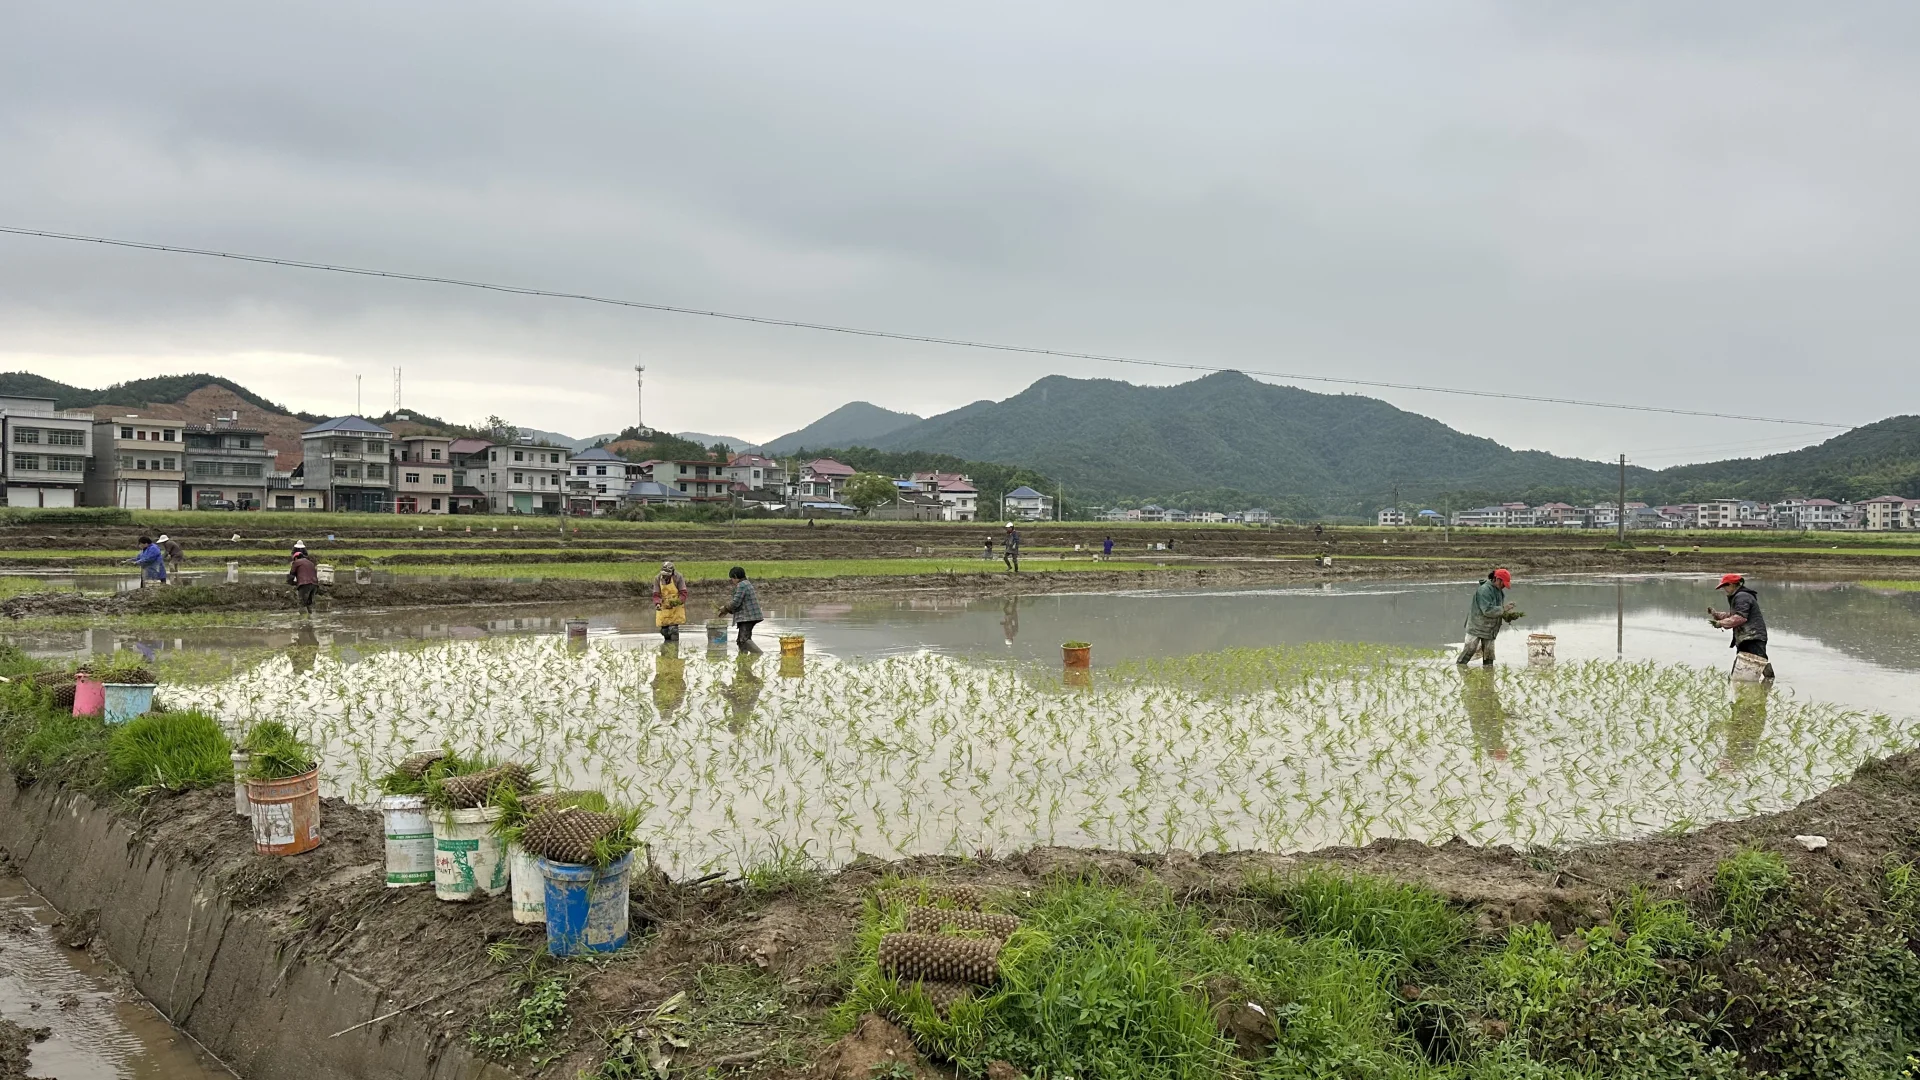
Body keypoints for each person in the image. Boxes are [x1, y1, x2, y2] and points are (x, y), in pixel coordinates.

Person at [1708, 573, 1774, 679]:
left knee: (1759, 662)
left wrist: (1721, 623)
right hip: (1746, 636)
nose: (1724, 589)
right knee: (1745, 663)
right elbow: (1733, 615)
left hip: (1753, 636)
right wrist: (1717, 615)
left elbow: (1740, 618)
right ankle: (1765, 685)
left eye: (1725, 586)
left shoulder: (1742, 597)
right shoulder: (1738, 596)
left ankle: (1769, 681)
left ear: (1732, 584)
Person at [1456, 568, 1515, 666]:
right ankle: (1460, 669)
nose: (1504, 586)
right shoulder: (1484, 590)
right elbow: (1487, 610)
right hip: (1477, 627)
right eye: (1503, 583)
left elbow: (1498, 610)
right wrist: (1504, 608)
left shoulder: (1499, 592)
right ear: (1497, 579)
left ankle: (1488, 677)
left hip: (1490, 629)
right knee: (1468, 652)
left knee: (1489, 656)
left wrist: (1508, 616)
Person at [716, 566, 763, 649]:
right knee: (741, 641)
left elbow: (736, 602)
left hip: (748, 617)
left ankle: (757, 655)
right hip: (750, 616)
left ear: (736, 576)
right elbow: (740, 603)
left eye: (732, 578)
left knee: (743, 640)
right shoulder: (746, 583)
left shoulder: (741, 585)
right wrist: (727, 610)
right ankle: (744, 660)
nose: (732, 580)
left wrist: (725, 608)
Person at [652, 560, 688, 642]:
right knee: (665, 631)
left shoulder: (678, 577)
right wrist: (657, 603)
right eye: (663, 575)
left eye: (667, 575)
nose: (665, 577)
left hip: (676, 607)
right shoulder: (657, 578)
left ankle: (674, 649)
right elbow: (656, 594)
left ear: (672, 572)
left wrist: (678, 602)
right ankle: (666, 651)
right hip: (663, 606)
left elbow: (683, 593)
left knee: (673, 630)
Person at [287, 545, 319, 613]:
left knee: (302, 603)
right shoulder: (310, 563)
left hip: (305, 584)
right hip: (314, 585)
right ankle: (310, 619)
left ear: (296, 558)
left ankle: (303, 622)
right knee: (309, 603)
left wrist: (290, 582)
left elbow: (291, 574)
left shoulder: (296, 562)